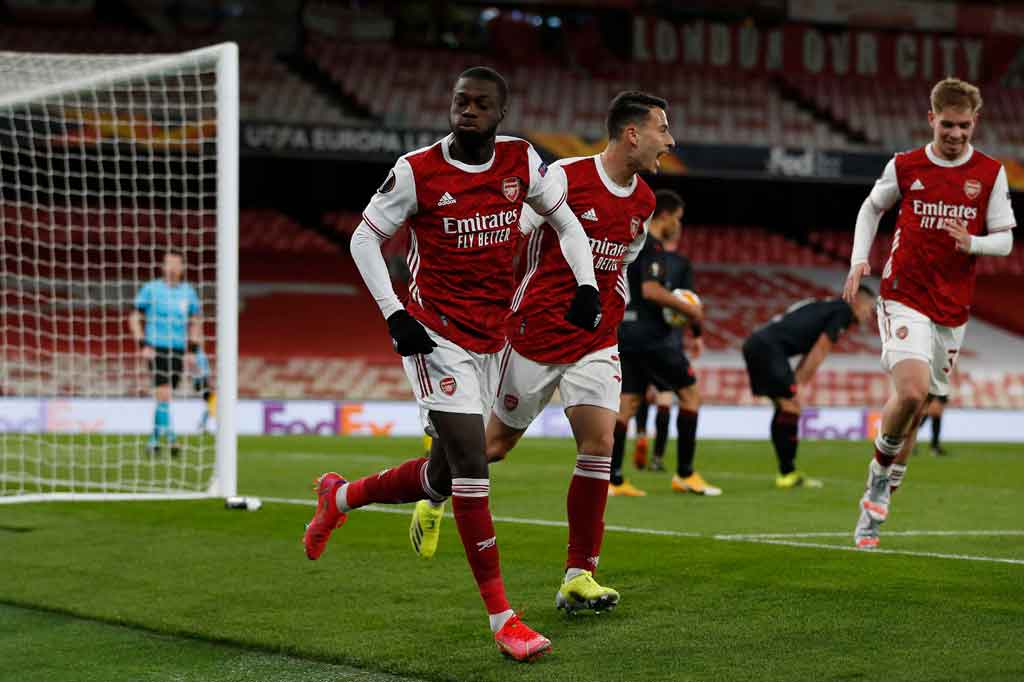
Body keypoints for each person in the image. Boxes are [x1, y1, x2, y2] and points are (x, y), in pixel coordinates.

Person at [303, 67, 601, 662]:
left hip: (493, 337)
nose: (467, 111)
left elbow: (565, 219)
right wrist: (394, 314)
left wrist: (587, 283)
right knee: (472, 460)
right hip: (434, 333)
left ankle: (338, 499)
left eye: (480, 104)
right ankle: (503, 620)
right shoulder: (417, 170)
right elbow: (364, 239)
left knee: (440, 475)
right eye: (459, 101)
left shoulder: (522, 161)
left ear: (500, 113)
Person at [410, 91, 668, 616]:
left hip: (596, 339)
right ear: (632, 134)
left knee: (600, 441)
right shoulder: (564, 178)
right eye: (663, 129)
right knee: (491, 448)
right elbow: (510, 233)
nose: (671, 140)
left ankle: (580, 575)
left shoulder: (645, 201)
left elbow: (625, 259)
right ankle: (434, 490)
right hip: (534, 334)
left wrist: (605, 300)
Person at [843, 77, 1015, 549]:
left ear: (974, 122)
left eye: (963, 125)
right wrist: (861, 259)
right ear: (930, 119)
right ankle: (878, 477)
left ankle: (880, 499)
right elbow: (870, 208)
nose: (955, 133)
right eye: (947, 124)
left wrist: (973, 242)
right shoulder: (906, 165)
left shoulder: (990, 172)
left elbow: (1005, 238)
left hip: (953, 307)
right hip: (904, 293)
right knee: (912, 389)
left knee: (919, 408)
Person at [610, 189, 717, 496]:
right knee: (690, 395)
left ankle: (613, 480)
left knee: (627, 405)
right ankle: (685, 474)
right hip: (652, 338)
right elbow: (652, 291)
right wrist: (690, 309)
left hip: (626, 333)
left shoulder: (634, 241)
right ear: (666, 216)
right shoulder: (654, 246)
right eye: (678, 219)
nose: (679, 226)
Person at [742, 289, 876, 487]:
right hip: (769, 349)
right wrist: (799, 384)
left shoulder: (825, 306)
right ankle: (788, 474)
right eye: (869, 307)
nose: (869, 314)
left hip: (758, 345)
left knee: (785, 406)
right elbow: (820, 349)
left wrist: (796, 380)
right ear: (856, 300)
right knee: (791, 406)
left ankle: (787, 471)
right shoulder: (843, 311)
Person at [128, 251, 202, 458]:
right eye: (168, 263)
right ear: (162, 267)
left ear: (182, 268)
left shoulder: (188, 293)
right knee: (164, 394)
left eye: (176, 264)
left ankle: (154, 439)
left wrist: (192, 350)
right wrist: (142, 343)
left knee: (164, 398)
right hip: (156, 348)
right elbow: (134, 317)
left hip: (178, 350)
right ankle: (171, 439)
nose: (171, 268)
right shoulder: (151, 289)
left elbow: (195, 321)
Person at [192, 347, 216, 432]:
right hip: (201, 382)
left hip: (200, 383)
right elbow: (203, 371)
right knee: (213, 403)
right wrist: (209, 383)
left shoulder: (199, 354)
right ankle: (203, 423)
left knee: (210, 404)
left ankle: (203, 424)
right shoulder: (200, 355)